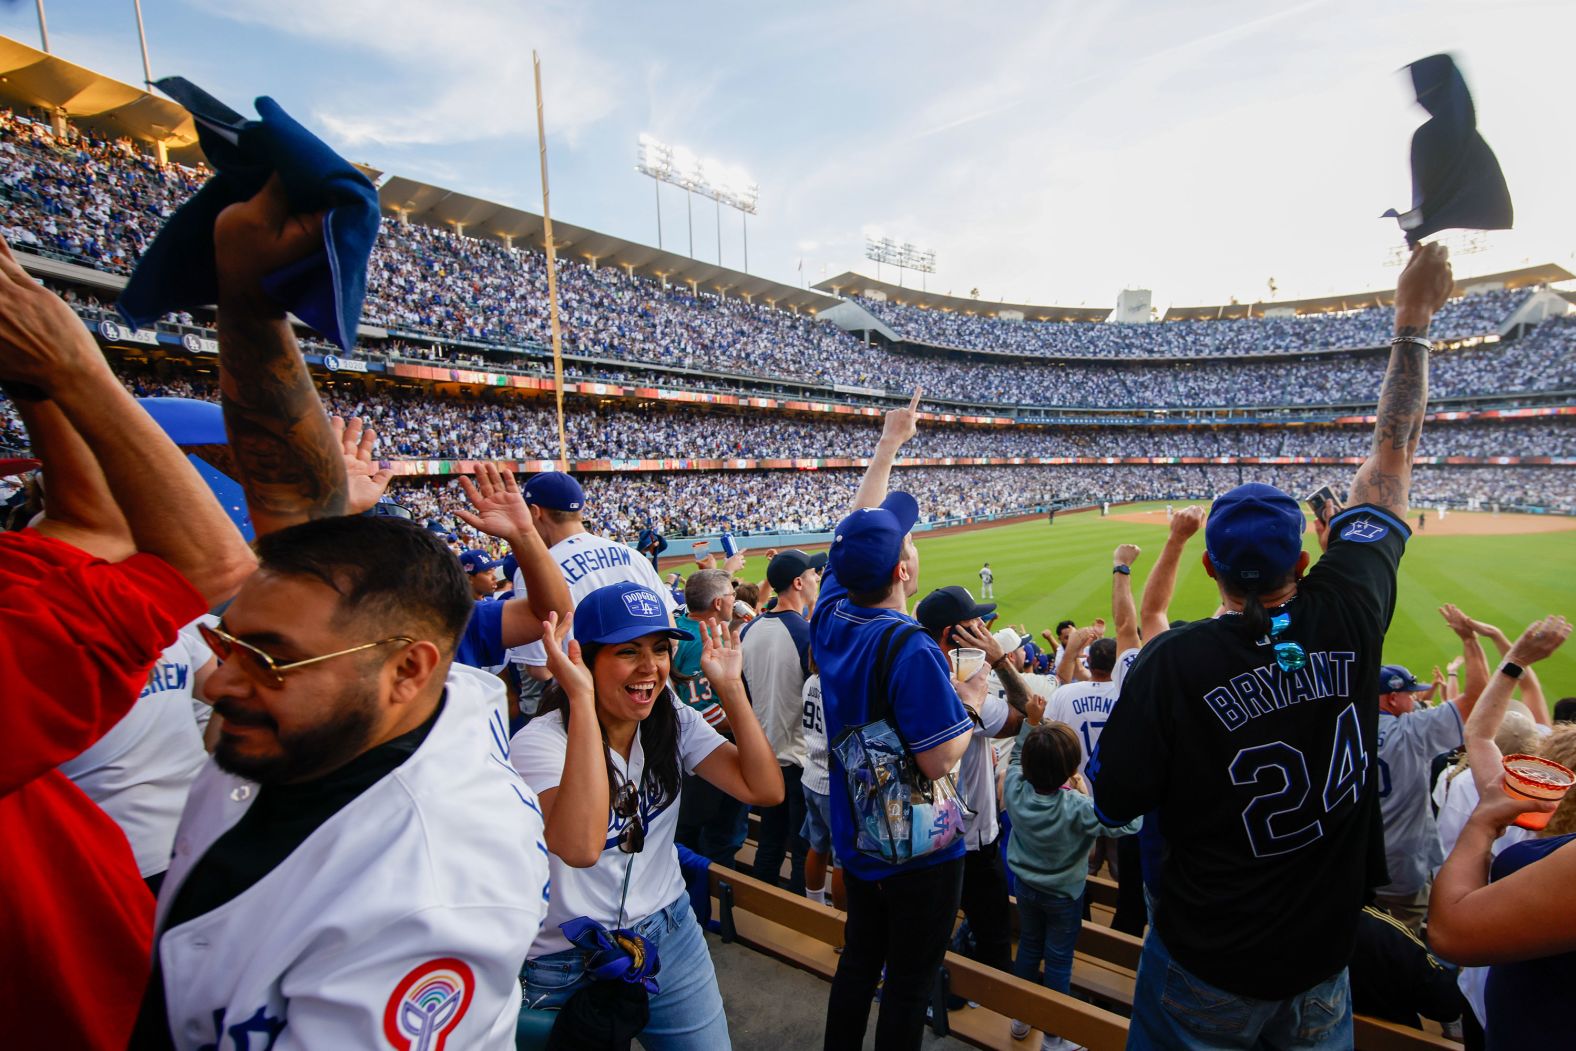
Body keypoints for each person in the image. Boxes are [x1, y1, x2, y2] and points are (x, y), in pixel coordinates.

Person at [130, 176, 563, 1047]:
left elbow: (544, 615)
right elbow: (296, 513)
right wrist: (250, 301)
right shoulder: (340, 695)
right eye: (231, 642)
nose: (216, 678)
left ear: (411, 667)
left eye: (266, 656)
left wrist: (74, 368)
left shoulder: (431, 883)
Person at [1091, 243, 1453, 1048]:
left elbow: (1113, 802)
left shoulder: (1171, 663)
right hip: (1322, 965)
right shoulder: (1349, 607)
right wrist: (1413, 324)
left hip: (1205, 968)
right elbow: (1391, 459)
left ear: (1211, 568)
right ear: (1304, 558)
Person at [0, 238, 255, 1051]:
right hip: (79, 985)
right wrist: (68, 368)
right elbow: (209, 560)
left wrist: (41, 379)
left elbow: (92, 526)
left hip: (159, 878)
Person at [512, 584, 783, 1049]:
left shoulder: (668, 716)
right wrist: (580, 700)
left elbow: (764, 789)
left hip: (668, 931)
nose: (650, 667)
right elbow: (579, 847)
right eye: (628, 651)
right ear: (586, 659)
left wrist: (731, 690)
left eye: (659, 649)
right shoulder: (538, 744)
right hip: (564, 957)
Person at [814, 391, 985, 1050]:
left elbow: (852, 530)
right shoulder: (908, 642)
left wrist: (889, 444)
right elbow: (940, 757)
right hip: (917, 835)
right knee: (910, 979)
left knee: (860, 959)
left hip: (858, 824)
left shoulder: (831, 612)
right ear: (904, 569)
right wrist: (966, 695)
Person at [1429, 615, 1576, 1049]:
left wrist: (1514, 660)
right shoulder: (1528, 812)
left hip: (1512, 1015)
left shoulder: (1519, 810)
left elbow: (1478, 735)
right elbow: (1481, 735)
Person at [1004, 696, 1140, 1051]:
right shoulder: (1078, 806)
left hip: (1026, 888)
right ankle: (1053, 1036)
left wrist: (1031, 723)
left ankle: (1021, 1018)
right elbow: (1130, 824)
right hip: (1064, 897)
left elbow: (1018, 757)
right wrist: (1084, 790)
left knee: (1030, 949)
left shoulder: (1015, 789)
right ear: (1070, 769)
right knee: (1060, 960)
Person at [915, 585, 1026, 978]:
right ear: (950, 635)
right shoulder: (965, 685)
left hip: (923, 833)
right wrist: (997, 661)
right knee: (994, 932)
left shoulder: (913, 671)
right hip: (971, 838)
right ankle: (994, 1006)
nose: (983, 626)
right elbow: (1025, 714)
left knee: (928, 927)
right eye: (974, 623)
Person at [504, 469, 677, 680]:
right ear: (581, 509)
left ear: (535, 512)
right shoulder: (633, 556)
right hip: (653, 694)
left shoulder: (532, 571)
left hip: (588, 703)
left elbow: (541, 670)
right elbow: (671, 637)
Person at [1373, 647, 1482, 933]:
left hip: (1355, 863)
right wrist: (1470, 639)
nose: (1414, 699)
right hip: (1400, 868)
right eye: (1409, 694)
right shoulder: (1409, 731)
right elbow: (1475, 698)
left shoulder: (1345, 725)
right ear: (1393, 698)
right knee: (1404, 943)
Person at [742, 549, 820, 894]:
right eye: (814, 574)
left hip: (763, 756)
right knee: (804, 848)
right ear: (798, 582)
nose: (818, 579)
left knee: (770, 842)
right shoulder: (805, 634)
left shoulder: (750, 629)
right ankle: (803, 917)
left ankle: (764, 907)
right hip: (799, 760)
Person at [671, 569, 751, 867]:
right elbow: (705, 710)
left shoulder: (679, 626)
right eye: (731, 596)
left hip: (682, 755)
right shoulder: (702, 642)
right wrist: (747, 723)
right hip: (708, 753)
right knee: (720, 839)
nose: (735, 601)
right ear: (718, 603)